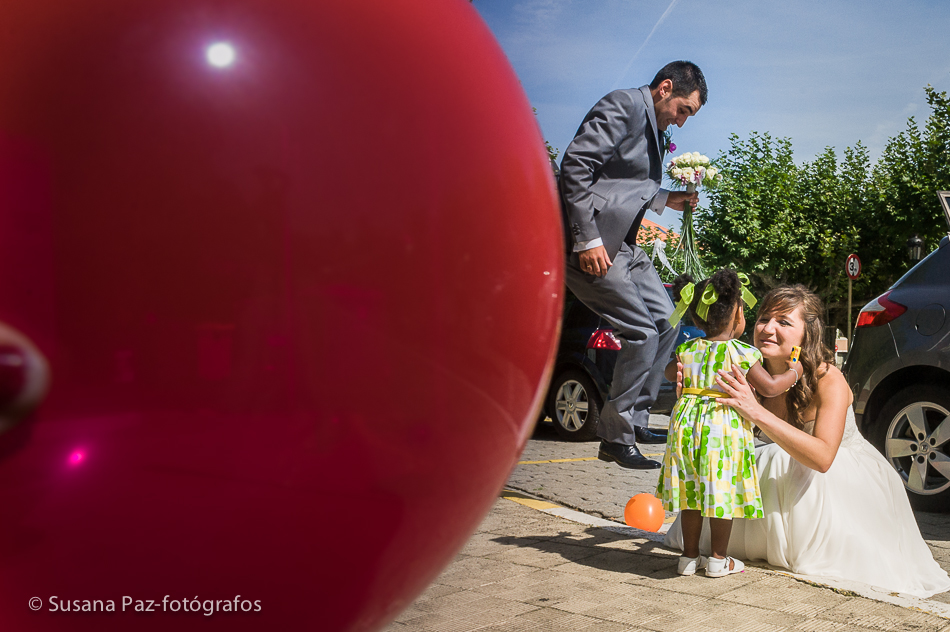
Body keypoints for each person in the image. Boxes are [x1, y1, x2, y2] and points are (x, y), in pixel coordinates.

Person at [665, 285, 950, 598]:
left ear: (806, 335)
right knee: (760, 463)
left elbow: (823, 458)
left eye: (784, 322)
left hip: (836, 478)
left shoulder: (829, 379)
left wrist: (755, 411)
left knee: (786, 463)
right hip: (779, 477)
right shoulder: (743, 370)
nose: (768, 328)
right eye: (763, 318)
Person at [559, 61, 705, 469]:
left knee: (669, 320)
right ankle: (615, 436)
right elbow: (576, 166)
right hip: (591, 244)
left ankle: (636, 420)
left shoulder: (654, 126)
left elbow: (624, 184)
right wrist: (585, 238)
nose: (682, 122)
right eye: (684, 111)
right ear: (665, 88)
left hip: (624, 244)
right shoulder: (622, 105)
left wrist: (668, 199)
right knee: (641, 331)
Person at [657, 271, 802, 576]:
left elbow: (670, 373)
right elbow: (770, 387)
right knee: (721, 494)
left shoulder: (688, 349)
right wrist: (795, 373)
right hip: (721, 430)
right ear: (737, 316)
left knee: (692, 494)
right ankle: (718, 560)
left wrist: (685, 373)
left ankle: (688, 558)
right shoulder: (741, 353)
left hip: (686, 429)